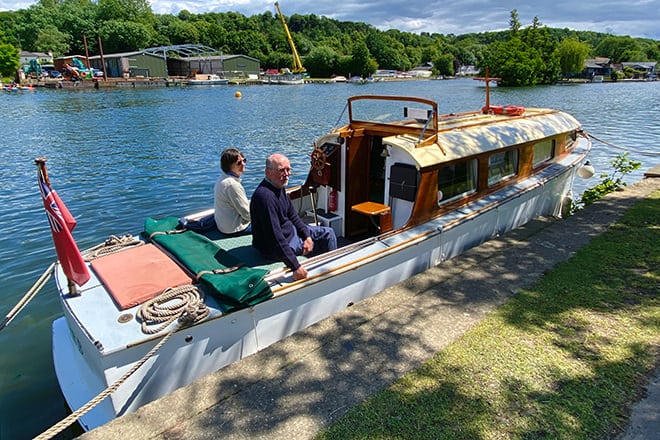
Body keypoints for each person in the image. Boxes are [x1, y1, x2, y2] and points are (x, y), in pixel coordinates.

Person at [250, 153, 337, 280]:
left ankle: (331, 267)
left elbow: (293, 215)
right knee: (325, 239)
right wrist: (295, 267)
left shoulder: (278, 187)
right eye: (281, 170)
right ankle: (330, 276)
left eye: (288, 169)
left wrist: (306, 236)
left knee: (328, 232)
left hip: (290, 234)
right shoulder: (265, 197)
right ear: (268, 172)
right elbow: (275, 237)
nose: (286, 174)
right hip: (275, 247)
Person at [214, 148, 251, 235]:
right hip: (235, 228)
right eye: (239, 163)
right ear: (229, 166)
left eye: (244, 160)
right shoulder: (232, 185)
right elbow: (247, 214)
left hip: (223, 226)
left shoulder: (222, 179)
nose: (243, 164)